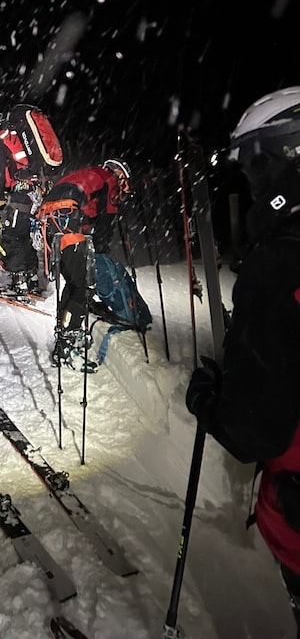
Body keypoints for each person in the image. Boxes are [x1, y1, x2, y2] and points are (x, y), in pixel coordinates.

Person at [185, 87, 300, 637]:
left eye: (256, 165)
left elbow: (255, 428)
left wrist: (208, 400)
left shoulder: (280, 265)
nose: (251, 186)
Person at [36, 158, 131, 367]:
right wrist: (101, 252)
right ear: (118, 174)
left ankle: (64, 330)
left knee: (73, 282)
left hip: (52, 217)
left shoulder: (90, 174)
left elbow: (88, 214)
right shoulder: (109, 180)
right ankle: (69, 336)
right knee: (84, 284)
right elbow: (107, 220)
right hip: (66, 215)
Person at [0, 107, 60, 296]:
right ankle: (31, 278)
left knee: (13, 235)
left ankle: (19, 283)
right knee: (25, 235)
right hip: (38, 190)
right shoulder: (18, 133)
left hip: (21, 192)